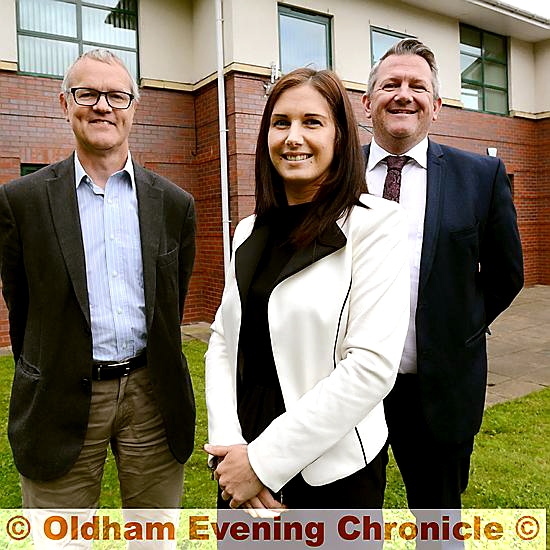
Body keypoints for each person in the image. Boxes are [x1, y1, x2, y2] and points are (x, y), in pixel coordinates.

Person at [204, 67, 410, 512]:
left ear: (340, 136)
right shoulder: (247, 231)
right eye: (281, 122)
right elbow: (223, 342)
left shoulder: (376, 225)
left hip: (331, 472)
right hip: (238, 465)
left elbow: (370, 367)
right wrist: (229, 449)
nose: (293, 137)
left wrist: (263, 462)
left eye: (312, 122)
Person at [0, 49, 196, 510]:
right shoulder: (20, 202)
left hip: (152, 399)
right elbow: (21, 305)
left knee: (155, 540)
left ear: (134, 108)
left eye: (116, 96)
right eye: (87, 93)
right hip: (59, 396)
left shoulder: (174, 204)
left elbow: (172, 304)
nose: (102, 106)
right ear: (64, 103)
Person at [361, 38, 524, 511]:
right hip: (346, 391)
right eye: (390, 84)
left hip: (438, 391)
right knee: (345, 524)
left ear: (436, 105)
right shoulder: (334, 172)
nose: (403, 94)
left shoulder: (481, 176)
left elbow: (506, 274)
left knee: (438, 522)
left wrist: (459, 326)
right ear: (367, 101)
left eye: (418, 86)